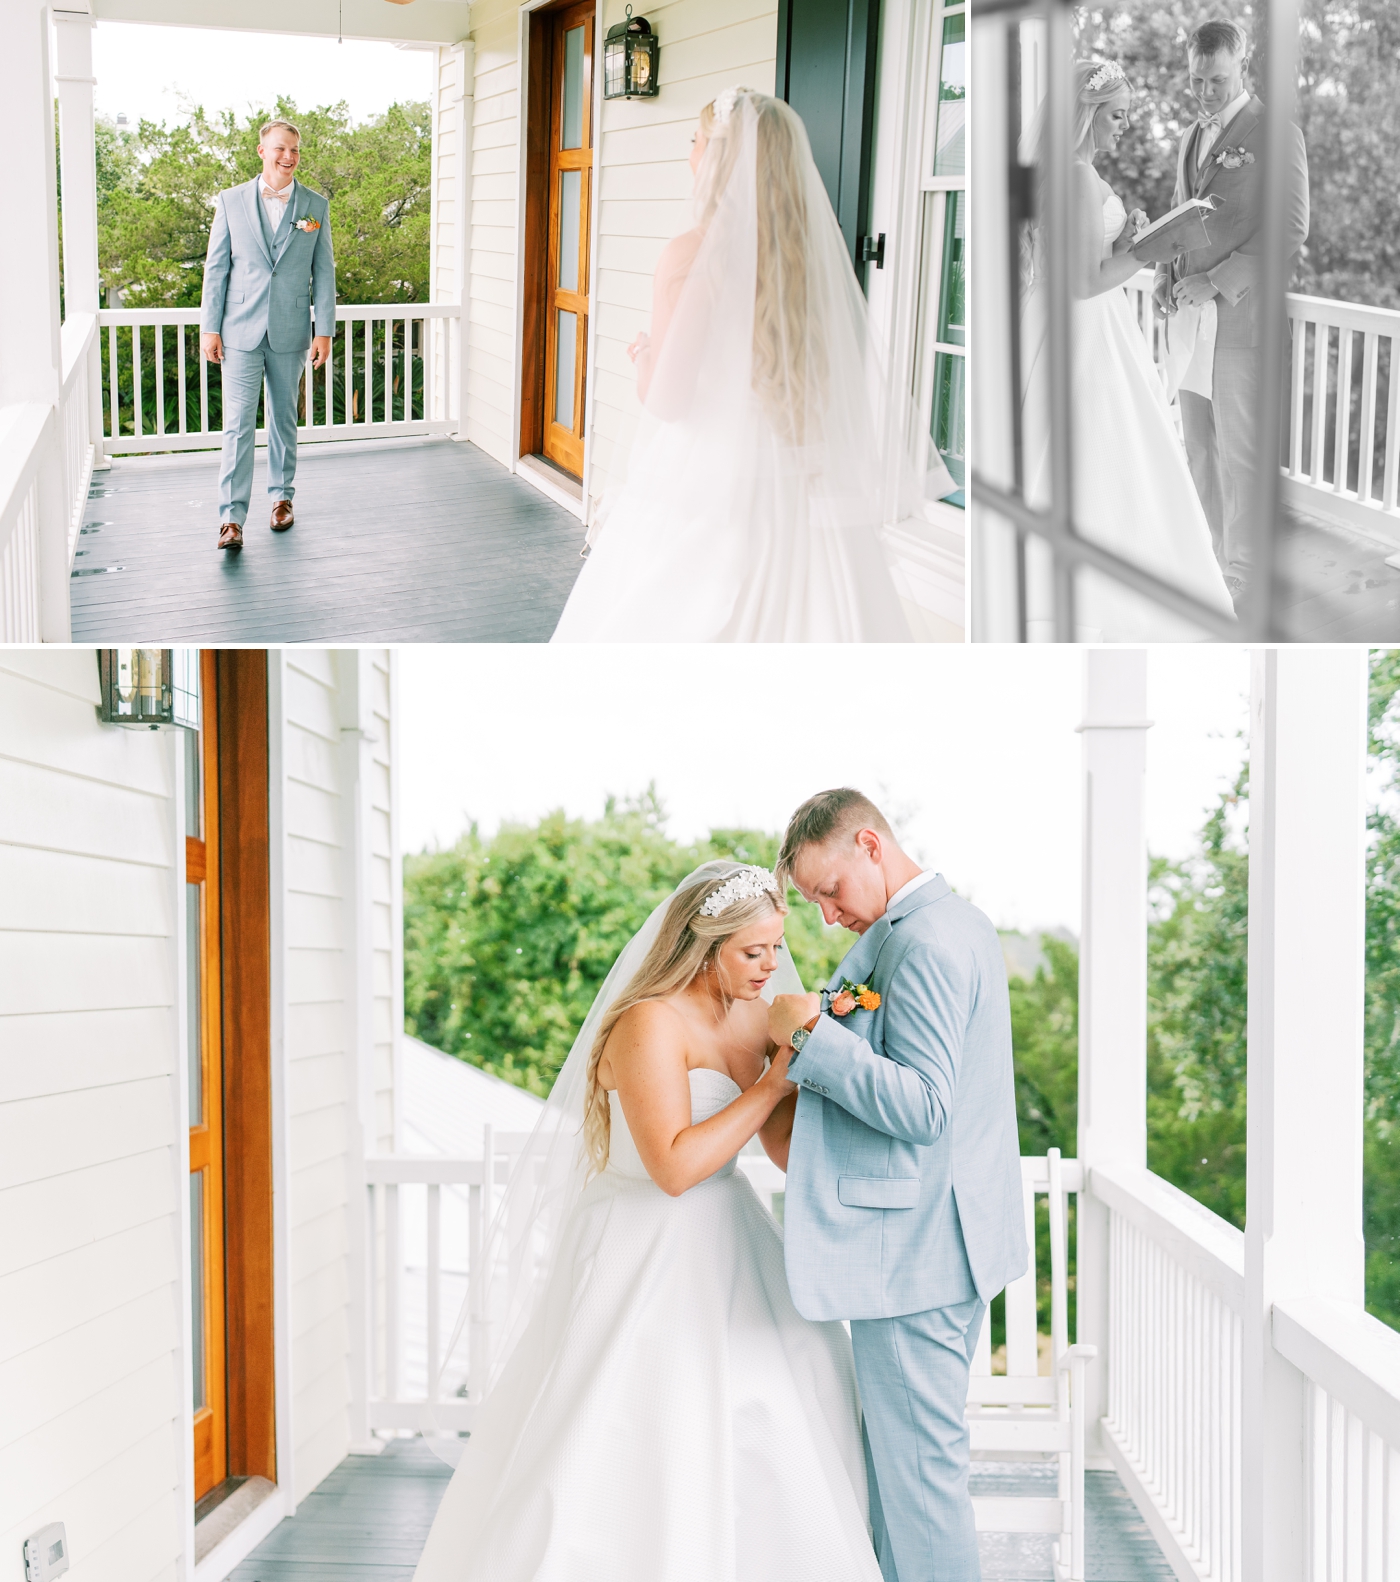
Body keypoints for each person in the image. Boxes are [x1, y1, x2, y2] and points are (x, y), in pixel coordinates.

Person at [412, 861, 884, 1582]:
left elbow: (784, 1150)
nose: (770, 967)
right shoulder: (647, 1023)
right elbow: (673, 1166)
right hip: (646, 1241)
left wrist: (830, 1066)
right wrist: (775, 1078)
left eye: (774, 947)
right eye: (751, 952)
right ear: (703, 945)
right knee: (637, 1419)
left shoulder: (759, 1018)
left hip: (734, 1238)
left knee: (787, 1391)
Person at [550, 87, 922, 643]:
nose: (690, 150)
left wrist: (647, 355)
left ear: (721, 158)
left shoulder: (692, 254)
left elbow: (669, 401)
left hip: (712, 474)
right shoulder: (808, 257)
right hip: (796, 474)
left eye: (697, 139)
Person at [769, 788, 1028, 1582]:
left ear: (871, 847)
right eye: (812, 901)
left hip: (919, 1258)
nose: (827, 916)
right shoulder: (947, 925)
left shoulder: (927, 944)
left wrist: (812, 1034)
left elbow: (923, 1106)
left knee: (918, 1488)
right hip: (930, 1247)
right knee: (902, 1478)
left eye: (830, 891)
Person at [1021, 59, 1236, 640]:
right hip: (1080, 325)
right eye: (1116, 117)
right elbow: (1084, 281)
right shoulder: (1073, 177)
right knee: (1100, 451)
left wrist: (1125, 237)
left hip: (1086, 320)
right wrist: (1152, 249)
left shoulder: (1076, 174)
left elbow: (1084, 256)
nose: (1123, 129)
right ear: (1087, 116)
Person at [1153, 19, 1310, 602]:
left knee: (1240, 453)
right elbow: (1182, 217)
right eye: (1197, 81)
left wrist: (1218, 280)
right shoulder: (1192, 136)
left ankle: (1242, 567)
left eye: (1216, 81)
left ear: (1241, 66)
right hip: (1192, 320)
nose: (1206, 93)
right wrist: (1169, 277)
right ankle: (1207, 556)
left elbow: (1291, 227)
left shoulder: (1277, 133)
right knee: (1197, 446)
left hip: (1242, 321)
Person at [200, 119, 336, 552]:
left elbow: (324, 273)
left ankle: (281, 499)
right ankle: (230, 520)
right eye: (281, 149)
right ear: (262, 151)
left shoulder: (315, 206)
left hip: (292, 330)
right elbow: (217, 269)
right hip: (239, 331)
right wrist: (210, 326)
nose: (289, 157)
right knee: (238, 427)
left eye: (295, 150)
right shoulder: (230, 200)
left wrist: (324, 331)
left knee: (283, 420)